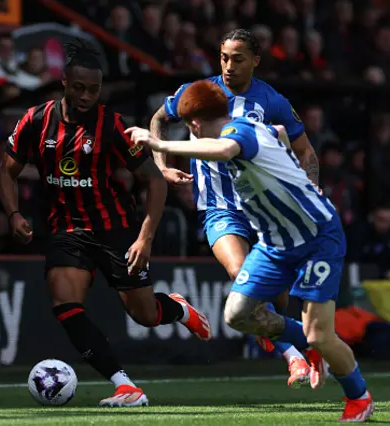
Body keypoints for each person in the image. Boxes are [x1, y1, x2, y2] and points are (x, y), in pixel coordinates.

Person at [127, 80, 374, 422]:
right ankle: (310, 344)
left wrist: (158, 143)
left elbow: (227, 150)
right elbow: (278, 133)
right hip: (276, 242)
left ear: (194, 125)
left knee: (321, 333)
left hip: (317, 237)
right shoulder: (257, 129)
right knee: (238, 314)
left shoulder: (238, 135)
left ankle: (359, 396)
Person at [0, 40, 210, 408]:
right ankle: (125, 384)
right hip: (66, 229)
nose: (85, 96)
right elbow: (7, 170)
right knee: (65, 303)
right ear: (63, 81)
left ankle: (177, 309)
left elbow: (154, 181)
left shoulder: (112, 126)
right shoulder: (35, 120)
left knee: (145, 314)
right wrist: (14, 213)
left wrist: (144, 238)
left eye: (93, 90)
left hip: (116, 229)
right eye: (78, 88)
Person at [149, 28, 319, 388]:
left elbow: (306, 152)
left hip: (265, 208)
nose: (228, 66)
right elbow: (159, 119)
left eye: (237, 59)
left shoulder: (271, 101)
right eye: (224, 57)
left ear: (255, 61)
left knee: (280, 294)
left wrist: (308, 189)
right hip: (218, 207)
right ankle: (293, 357)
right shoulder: (200, 93)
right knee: (242, 274)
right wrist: (162, 165)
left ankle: (283, 330)